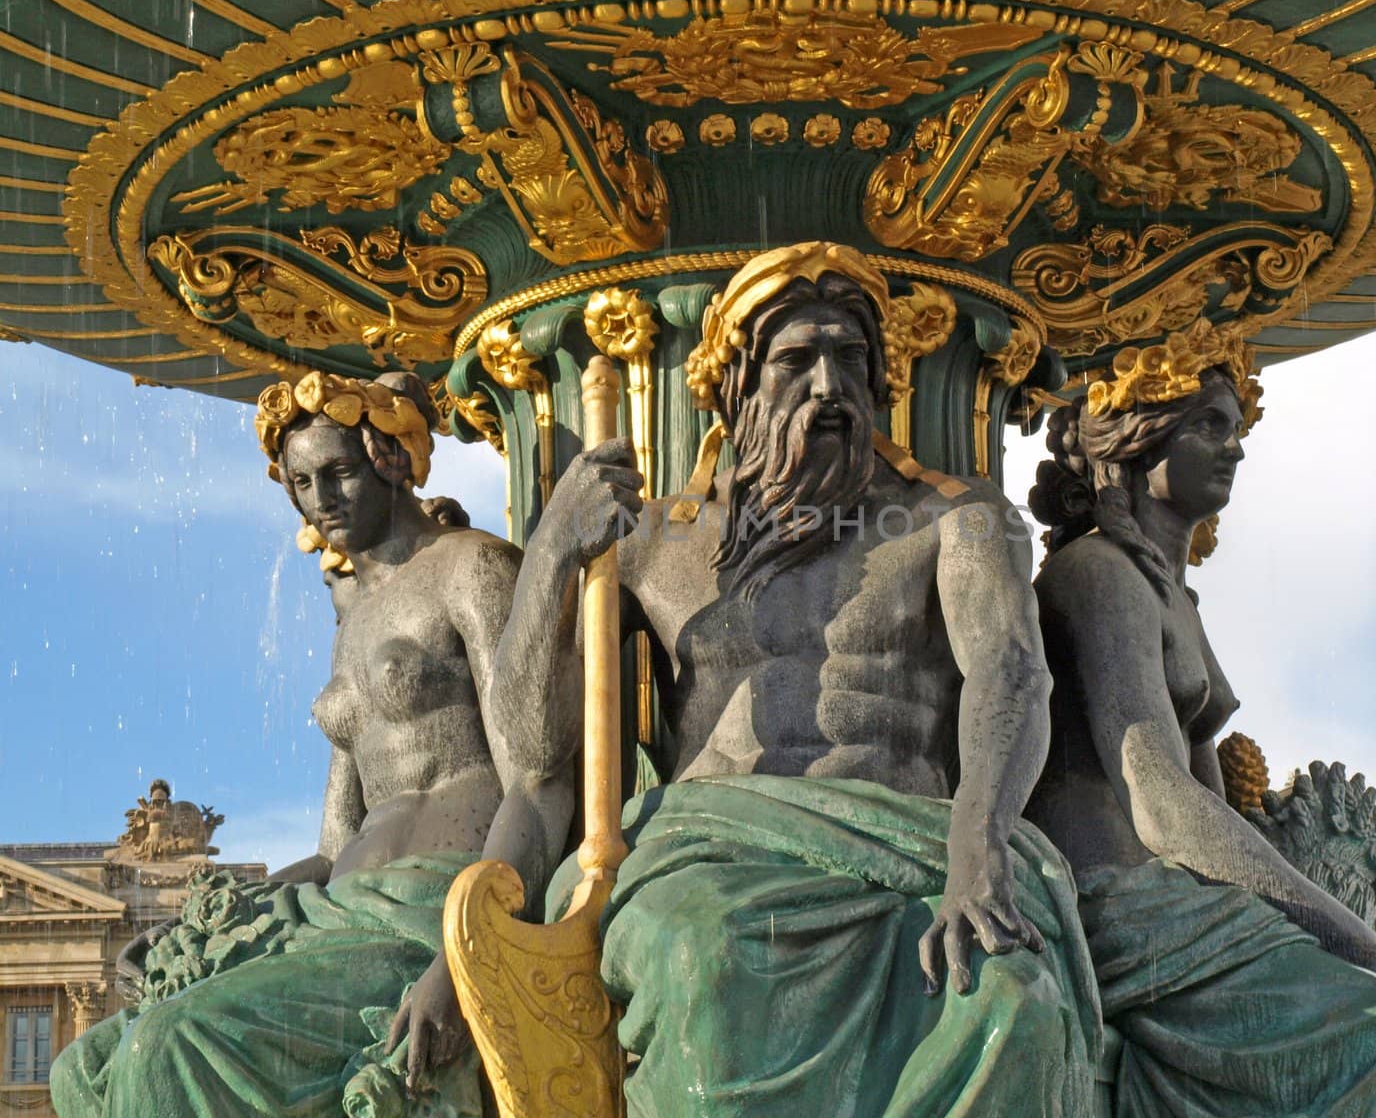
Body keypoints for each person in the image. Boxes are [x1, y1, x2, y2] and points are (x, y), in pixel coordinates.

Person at [482, 241, 1101, 1116]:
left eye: (850, 358)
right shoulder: (654, 542)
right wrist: (550, 555)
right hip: (713, 858)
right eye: (794, 361)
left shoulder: (958, 521)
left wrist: (980, 847)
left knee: (1014, 1002)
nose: (826, 387)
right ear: (736, 386)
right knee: (710, 957)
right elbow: (532, 754)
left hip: (916, 854)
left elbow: (1010, 677)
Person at [52, 370, 519, 1118]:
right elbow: (333, 850)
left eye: (339, 473)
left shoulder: (472, 568)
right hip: (339, 909)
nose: (322, 499)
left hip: (428, 905)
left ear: (391, 461)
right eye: (302, 482)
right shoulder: (352, 622)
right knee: (84, 1066)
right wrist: (192, 923)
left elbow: (538, 780)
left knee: (166, 1045)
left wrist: (467, 953)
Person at [1024, 319, 1376, 1117]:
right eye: (1209, 426)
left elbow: (1217, 813)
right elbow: (1161, 804)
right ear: (1138, 438)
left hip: (1178, 904)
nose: (1236, 449)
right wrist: (1347, 939)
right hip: (1112, 906)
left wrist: (1339, 922)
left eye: (1238, 428)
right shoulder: (1097, 576)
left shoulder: (1169, 594)